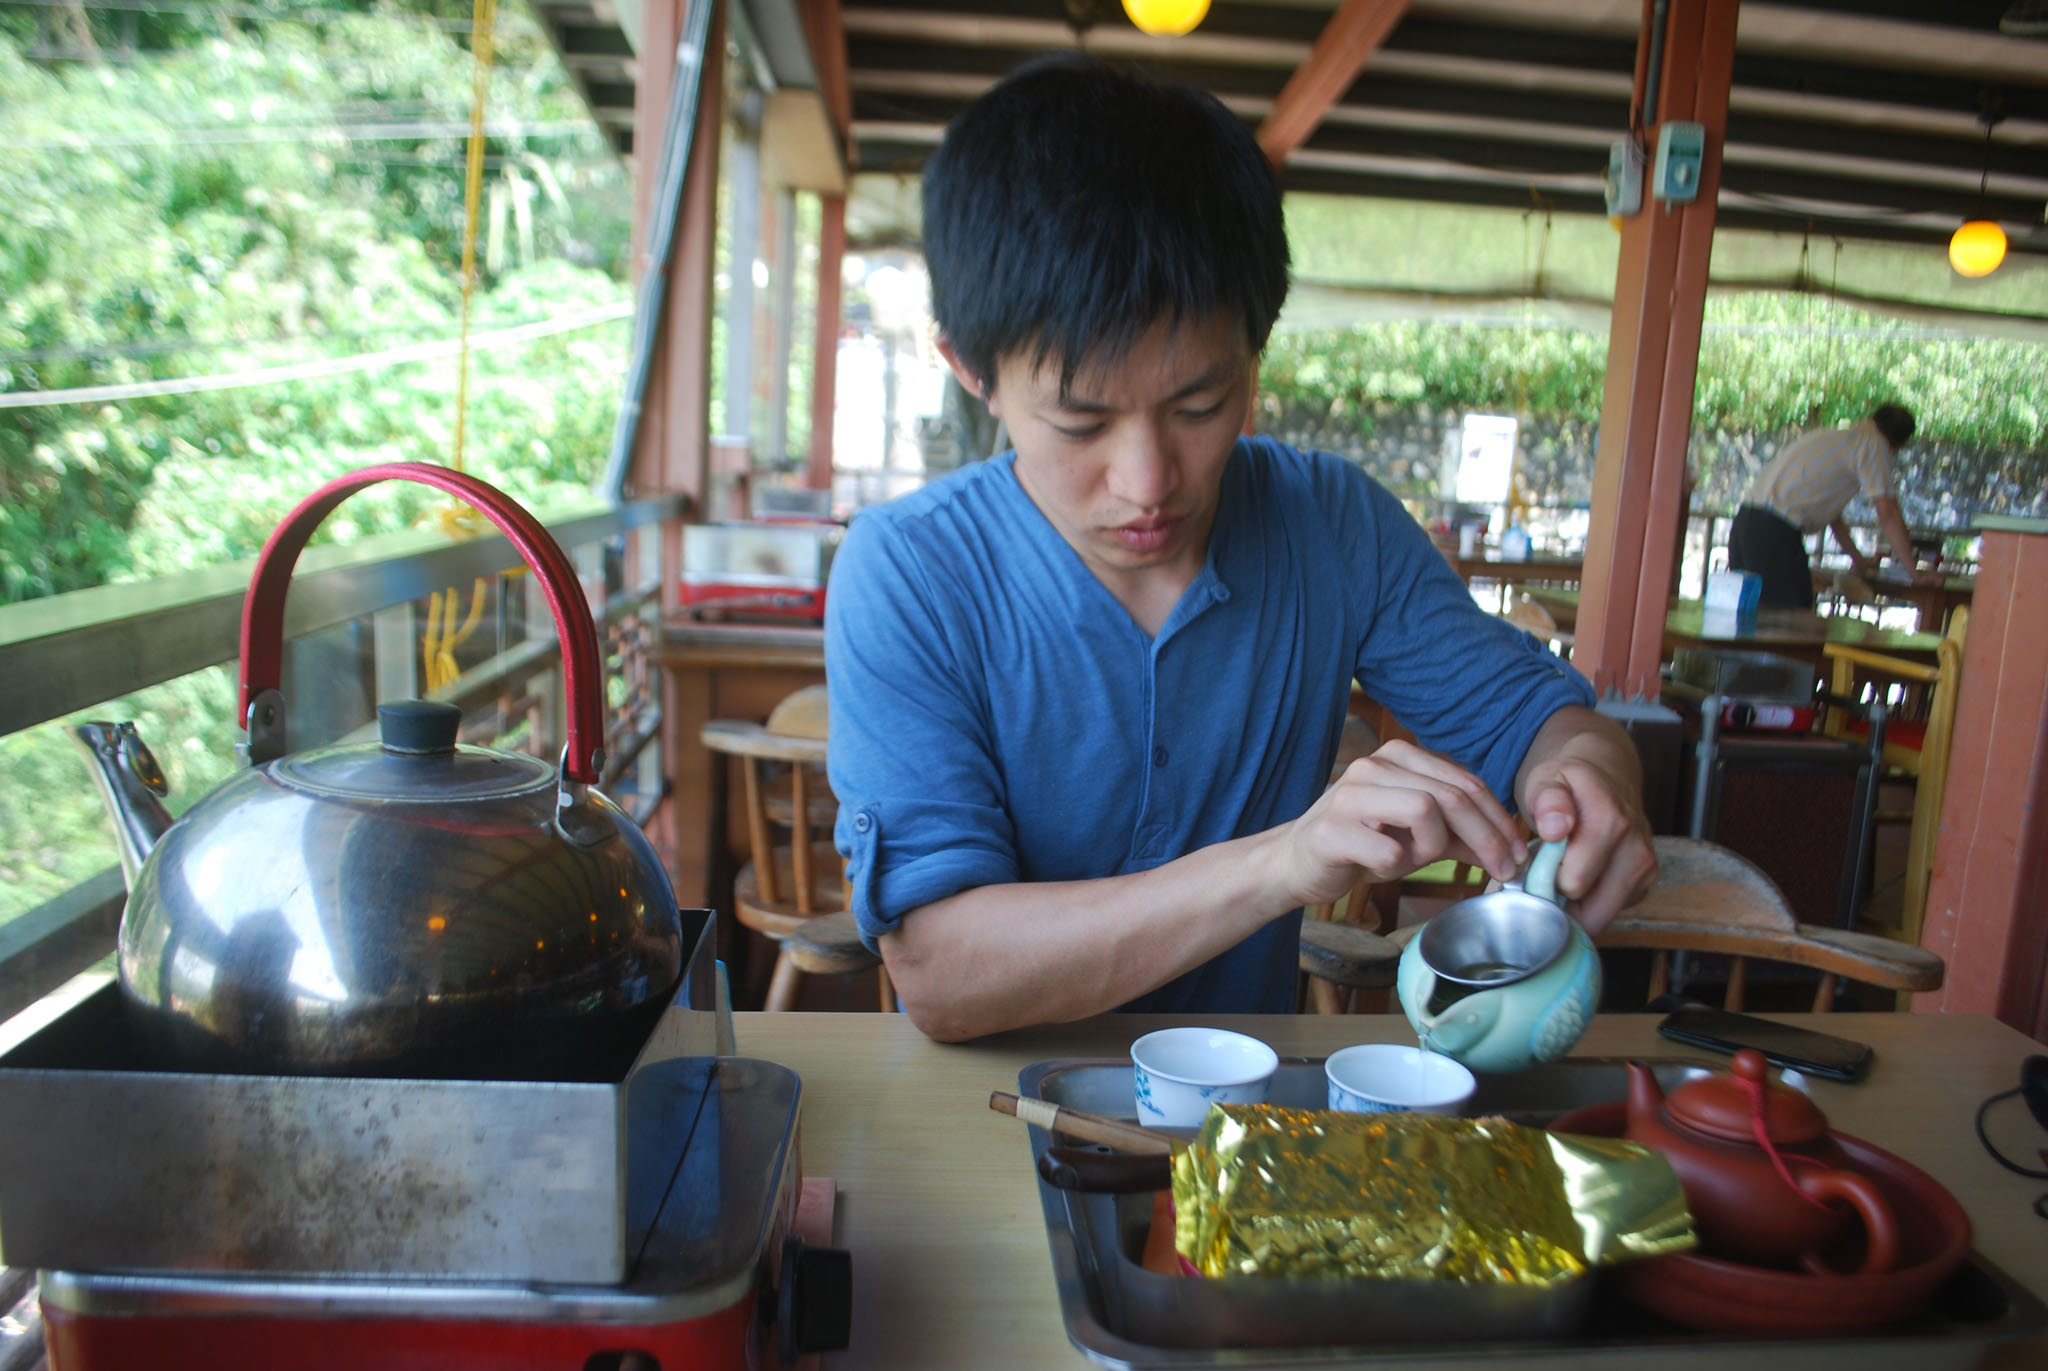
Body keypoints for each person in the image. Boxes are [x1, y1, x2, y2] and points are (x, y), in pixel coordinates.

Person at [825, 55, 1657, 1043]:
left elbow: (1547, 723)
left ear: (1255, 353)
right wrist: (1281, 861)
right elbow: (942, 972)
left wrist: (1587, 780)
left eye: (1200, 404)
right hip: (979, 1110)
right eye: (1081, 422)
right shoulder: (911, 571)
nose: (1147, 481)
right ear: (972, 371)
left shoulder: (1330, 524)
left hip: (1244, 1104)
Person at [1728, 404, 1944, 610]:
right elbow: (1887, 511)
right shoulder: (1873, 443)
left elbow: (1833, 518)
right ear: (1898, 444)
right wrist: (1914, 573)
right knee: (1787, 618)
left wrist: (1858, 559)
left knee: (1750, 612)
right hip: (1773, 531)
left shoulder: (1838, 438)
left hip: (1746, 522)